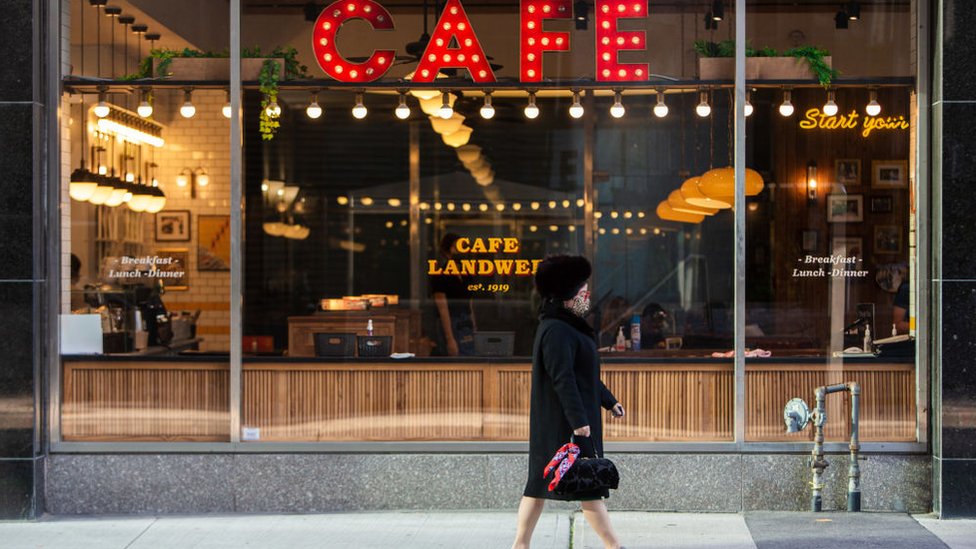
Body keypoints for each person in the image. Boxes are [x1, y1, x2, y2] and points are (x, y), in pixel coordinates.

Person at [512, 255, 626, 549]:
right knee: (587, 486)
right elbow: (563, 379)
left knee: (541, 486)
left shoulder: (570, 327)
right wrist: (579, 423)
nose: (587, 297)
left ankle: (520, 545)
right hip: (564, 424)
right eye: (583, 292)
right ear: (568, 296)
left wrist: (609, 401)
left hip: (575, 420)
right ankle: (614, 546)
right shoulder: (556, 330)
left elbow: (584, 376)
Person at [431, 233, 476, 356]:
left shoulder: (466, 273)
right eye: (458, 246)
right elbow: (443, 309)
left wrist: (474, 327)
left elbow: (469, 303)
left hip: (466, 321)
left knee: (471, 358)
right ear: (448, 250)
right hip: (451, 322)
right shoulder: (441, 274)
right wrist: (450, 339)